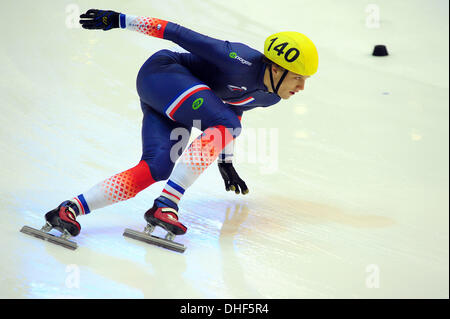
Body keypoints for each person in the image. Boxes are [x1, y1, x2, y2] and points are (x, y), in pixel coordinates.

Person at [43, 9, 319, 240]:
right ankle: (166, 204)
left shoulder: (271, 98)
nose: (302, 87)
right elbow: (176, 32)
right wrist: (119, 20)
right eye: (298, 77)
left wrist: (225, 160)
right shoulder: (238, 58)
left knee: (157, 168)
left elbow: (233, 113)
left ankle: (70, 208)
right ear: (275, 68)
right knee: (225, 124)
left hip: (174, 100)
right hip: (163, 73)